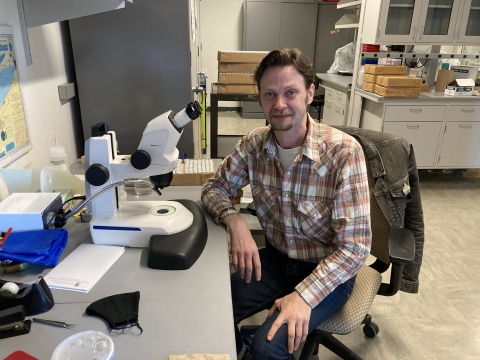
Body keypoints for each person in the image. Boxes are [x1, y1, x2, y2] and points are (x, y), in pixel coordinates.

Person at [201, 48, 372, 360]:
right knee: (209, 308)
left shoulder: (344, 153)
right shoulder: (253, 145)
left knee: (268, 349)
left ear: (309, 94)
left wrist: (303, 297)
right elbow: (213, 190)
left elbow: (355, 248)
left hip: (329, 273)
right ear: (260, 98)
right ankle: (242, 343)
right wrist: (235, 222)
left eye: (290, 92)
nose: (279, 104)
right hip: (278, 261)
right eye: (269, 94)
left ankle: (255, 343)